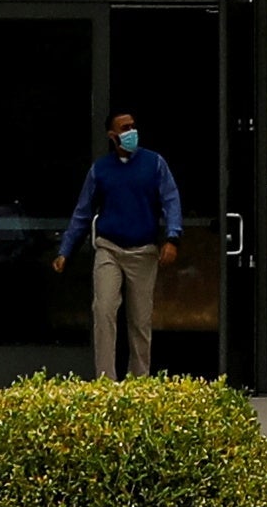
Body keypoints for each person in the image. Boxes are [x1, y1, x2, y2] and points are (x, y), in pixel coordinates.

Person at [49, 107, 183, 377]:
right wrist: (65, 251)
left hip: (144, 250)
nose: (131, 132)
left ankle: (139, 381)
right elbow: (82, 212)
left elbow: (171, 200)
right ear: (112, 136)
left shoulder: (154, 163)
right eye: (124, 128)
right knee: (104, 310)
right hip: (109, 248)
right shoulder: (100, 170)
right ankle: (105, 381)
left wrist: (172, 237)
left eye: (133, 126)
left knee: (140, 320)